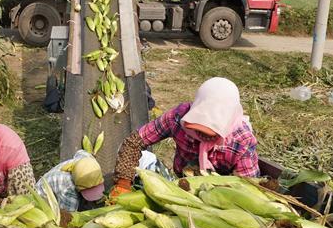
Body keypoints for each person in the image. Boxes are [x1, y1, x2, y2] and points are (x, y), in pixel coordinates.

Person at [111, 78, 260, 196]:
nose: (202, 136)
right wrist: (123, 183)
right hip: (181, 184)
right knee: (143, 164)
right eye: (198, 128)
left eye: (210, 133)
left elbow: (247, 187)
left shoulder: (242, 140)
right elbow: (134, 142)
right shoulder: (178, 118)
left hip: (221, 196)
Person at [36, 150, 105, 212]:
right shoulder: (67, 189)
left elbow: (80, 152)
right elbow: (69, 214)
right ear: (77, 185)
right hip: (42, 197)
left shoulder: (86, 158)